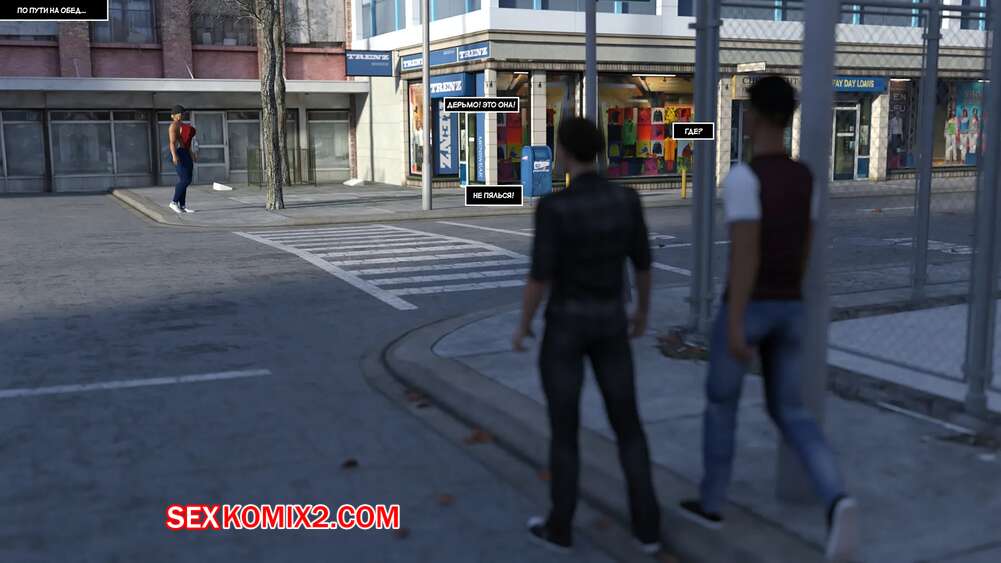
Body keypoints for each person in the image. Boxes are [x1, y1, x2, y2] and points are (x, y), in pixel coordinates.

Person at [677, 76, 859, 562]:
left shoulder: (745, 178)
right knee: (792, 411)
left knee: (721, 404)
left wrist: (737, 322)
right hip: (790, 306)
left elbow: (745, 255)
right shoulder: (807, 179)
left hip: (752, 305)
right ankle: (837, 499)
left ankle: (712, 502)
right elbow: (803, 252)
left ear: (753, 115)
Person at [513, 116, 661, 555]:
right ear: (597, 151)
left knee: (565, 430)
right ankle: (648, 528)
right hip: (610, 323)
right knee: (628, 425)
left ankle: (560, 526)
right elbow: (643, 264)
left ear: (563, 152)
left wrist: (523, 324)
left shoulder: (553, 208)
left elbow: (539, 276)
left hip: (565, 326)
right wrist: (642, 312)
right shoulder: (627, 200)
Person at [168, 105, 197, 213]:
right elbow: (172, 143)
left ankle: (182, 206)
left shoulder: (183, 125)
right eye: (178, 113)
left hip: (186, 153)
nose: (181, 115)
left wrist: (191, 154)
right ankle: (173, 202)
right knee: (185, 180)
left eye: (182, 113)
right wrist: (174, 156)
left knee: (186, 179)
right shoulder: (173, 126)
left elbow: (185, 144)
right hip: (179, 153)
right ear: (173, 115)